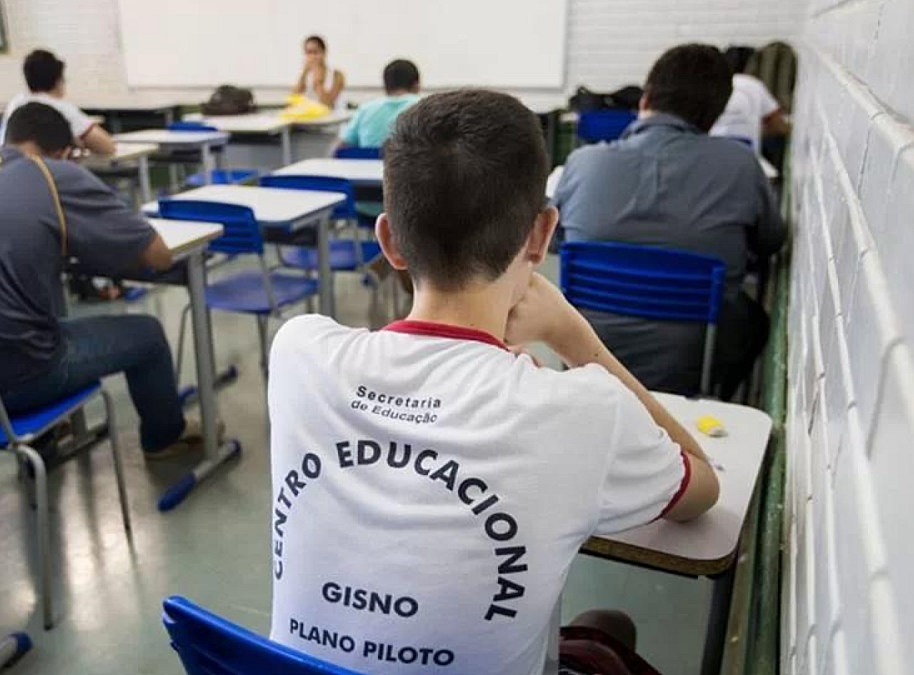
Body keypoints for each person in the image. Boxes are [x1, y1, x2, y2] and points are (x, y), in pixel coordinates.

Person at [266, 90, 719, 675]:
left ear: (390, 241)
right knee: (610, 629)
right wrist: (573, 335)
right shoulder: (584, 409)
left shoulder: (299, 351)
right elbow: (701, 489)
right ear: (541, 235)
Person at [0, 103, 208, 458]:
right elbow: (158, 256)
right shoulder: (51, 174)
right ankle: (164, 438)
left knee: (36, 308)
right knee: (147, 334)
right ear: (64, 153)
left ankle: (48, 438)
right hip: (14, 383)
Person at [554, 44, 787, 399]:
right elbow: (770, 241)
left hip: (585, 356)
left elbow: (556, 240)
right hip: (695, 363)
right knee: (754, 321)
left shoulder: (584, 162)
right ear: (715, 114)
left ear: (645, 100)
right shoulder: (740, 165)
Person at [0, 49, 117, 156]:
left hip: (4, 168)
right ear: (58, 81)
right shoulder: (60, 108)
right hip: (41, 174)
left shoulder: (16, 102)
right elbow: (107, 147)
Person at [710, 46, 791, 153]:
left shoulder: (707, 86)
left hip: (710, 153)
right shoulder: (752, 85)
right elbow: (780, 127)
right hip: (745, 156)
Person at [338, 59, 420, 150]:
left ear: (385, 86)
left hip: (368, 163)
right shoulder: (422, 106)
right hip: (410, 163)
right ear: (416, 85)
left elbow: (340, 147)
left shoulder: (366, 109)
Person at [292, 35, 345, 109]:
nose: (312, 56)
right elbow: (293, 101)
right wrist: (304, 73)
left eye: (315, 52)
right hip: (311, 118)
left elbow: (329, 104)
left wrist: (318, 83)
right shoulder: (306, 75)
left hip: (333, 118)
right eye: (308, 53)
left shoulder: (337, 75)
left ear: (323, 52)